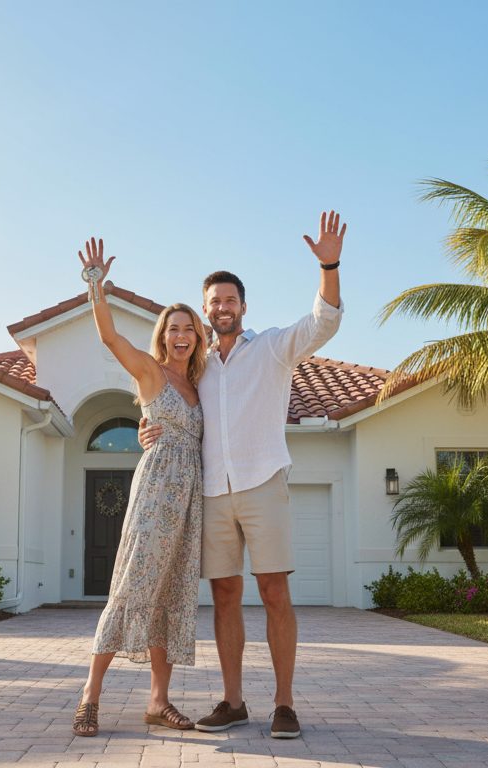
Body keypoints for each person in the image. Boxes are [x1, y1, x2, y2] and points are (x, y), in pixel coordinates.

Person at [139, 211, 346, 739]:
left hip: (263, 484)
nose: (221, 308)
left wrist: (329, 265)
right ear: (205, 310)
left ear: (243, 307)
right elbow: (164, 399)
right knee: (225, 594)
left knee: (275, 591)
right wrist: (147, 426)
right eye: (213, 302)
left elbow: (324, 322)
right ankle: (232, 701)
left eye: (229, 300)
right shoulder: (198, 366)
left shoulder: (273, 347)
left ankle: (284, 704)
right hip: (212, 492)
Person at [71, 237, 208, 737]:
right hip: (154, 497)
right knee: (131, 587)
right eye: (173, 329)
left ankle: (158, 702)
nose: (181, 336)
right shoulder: (151, 373)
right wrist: (95, 287)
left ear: (198, 338)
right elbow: (109, 338)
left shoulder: (202, 384)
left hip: (189, 504)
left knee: (172, 595)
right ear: (163, 336)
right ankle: (90, 695)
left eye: (189, 330)